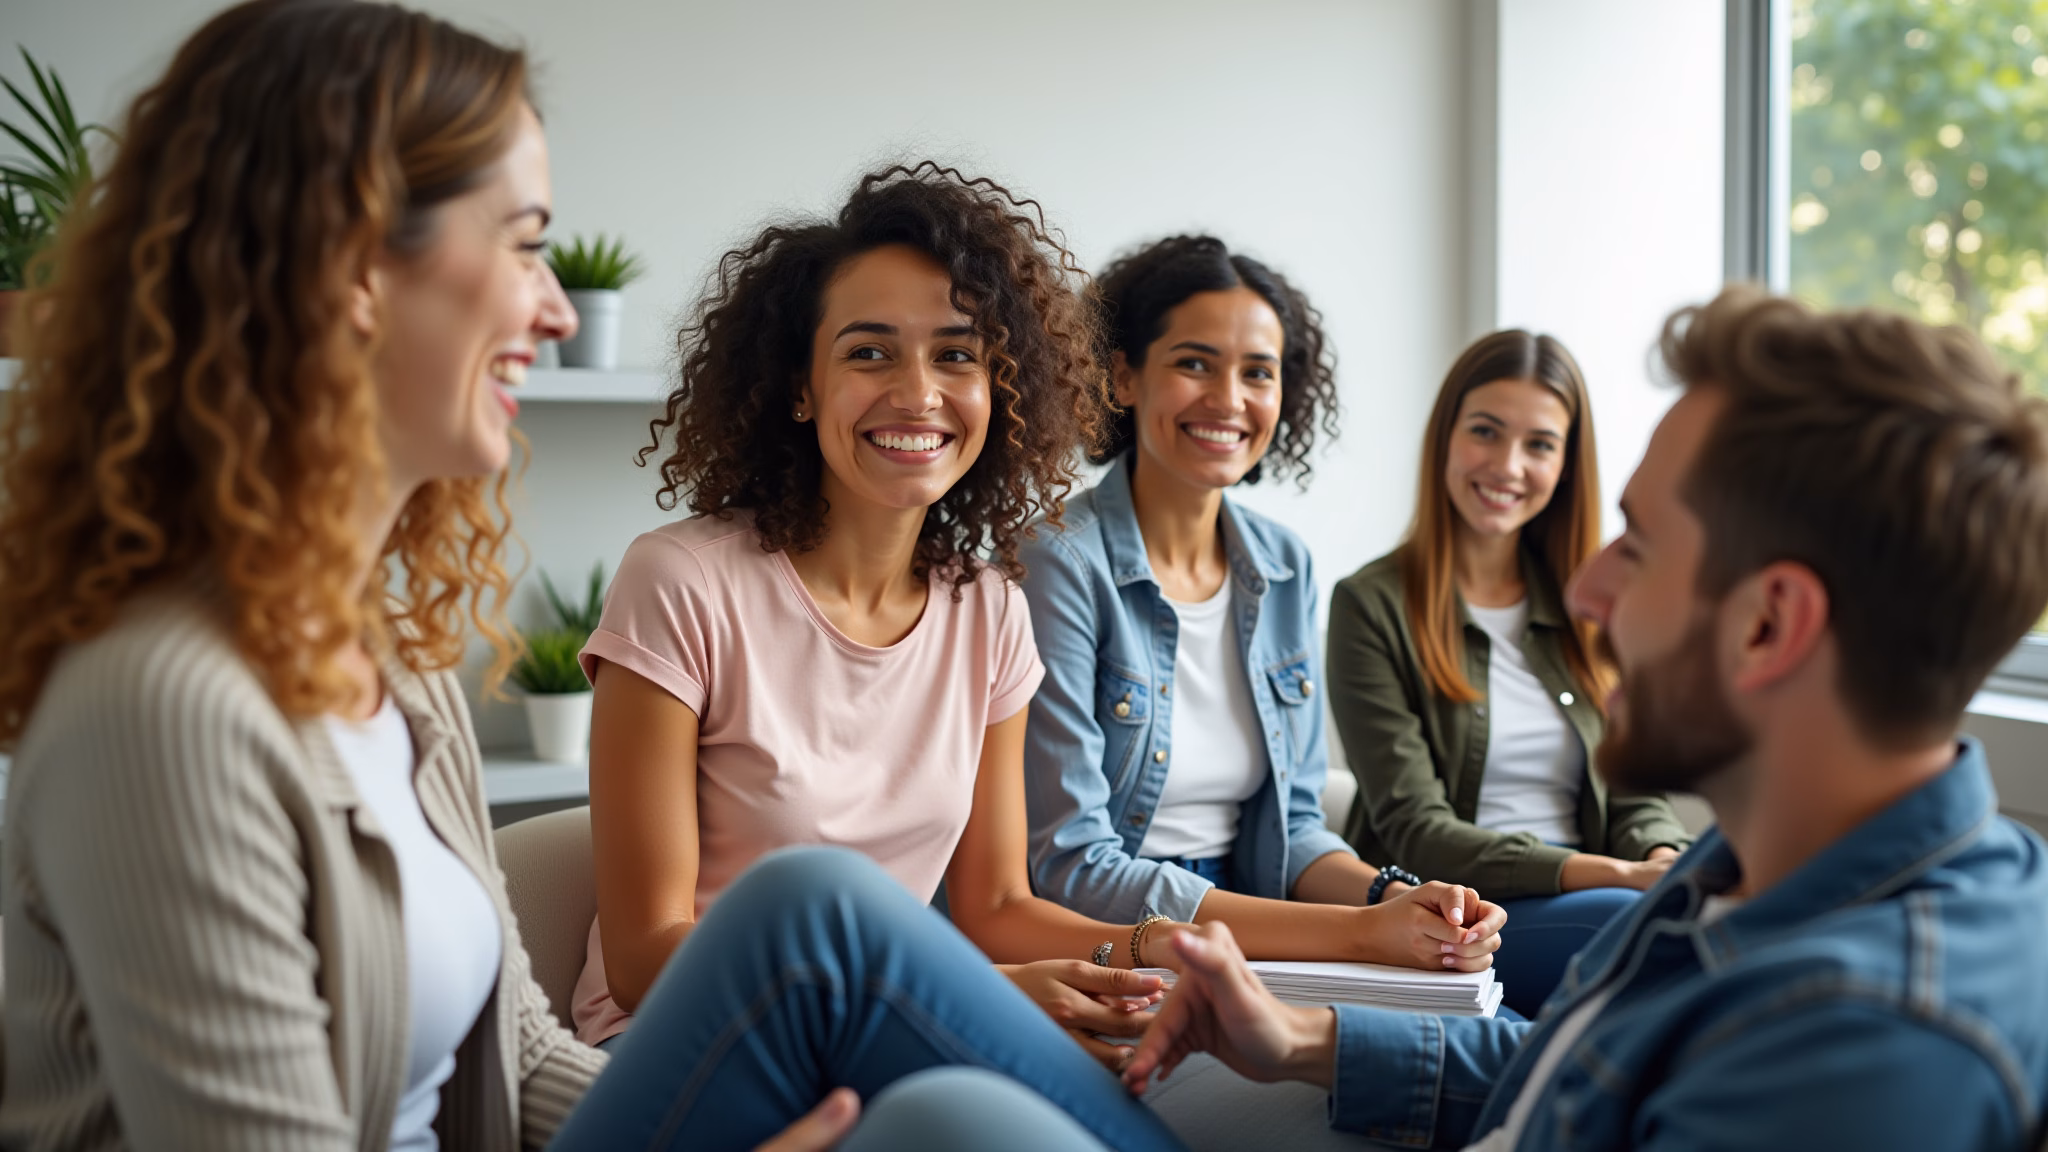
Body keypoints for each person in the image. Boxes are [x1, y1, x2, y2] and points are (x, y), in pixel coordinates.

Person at [0, 4, 1169, 1149]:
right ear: (352, 265)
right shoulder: (161, 707)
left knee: (944, 1118)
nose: (556, 306)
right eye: (520, 243)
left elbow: (518, 1054)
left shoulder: (390, 674)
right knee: (811, 915)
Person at [1121, 288, 2048, 1152]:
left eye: (1638, 547)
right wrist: (1302, 1039)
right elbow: (1574, 1063)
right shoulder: (1746, 873)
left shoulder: (1862, 1046)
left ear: (1769, 625)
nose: (1593, 590)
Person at [1020, 235, 1506, 975]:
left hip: (1257, 916)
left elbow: (1298, 829)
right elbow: (1072, 866)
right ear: (1122, 376)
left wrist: (1391, 896)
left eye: (1258, 373)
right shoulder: (1058, 560)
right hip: (1119, 942)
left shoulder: (1283, 565)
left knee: (1478, 1035)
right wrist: (1352, 934)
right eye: (1193, 363)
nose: (1229, 400)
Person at [1325, 330, 1689, 1015]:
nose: (1508, 465)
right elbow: (1417, 829)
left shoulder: (1590, 605)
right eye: (1486, 432)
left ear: (1566, 464)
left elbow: (1633, 792)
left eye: (1540, 445)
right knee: (1643, 926)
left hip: (1601, 893)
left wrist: (1663, 855)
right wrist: (1616, 874)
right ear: (1446, 439)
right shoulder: (1370, 605)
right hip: (1462, 919)